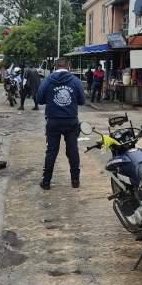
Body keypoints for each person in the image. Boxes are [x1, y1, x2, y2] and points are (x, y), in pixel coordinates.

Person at [37, 58, 86, 190]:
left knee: (51, 151)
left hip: (53, 121)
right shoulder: (75, 81)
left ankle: (46, 182)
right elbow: (82, 101)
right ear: (68, 67)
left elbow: (40, 99)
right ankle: (75, 181)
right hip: (71, 121)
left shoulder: (47, 80)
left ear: (54, 67)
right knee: (73, 151)